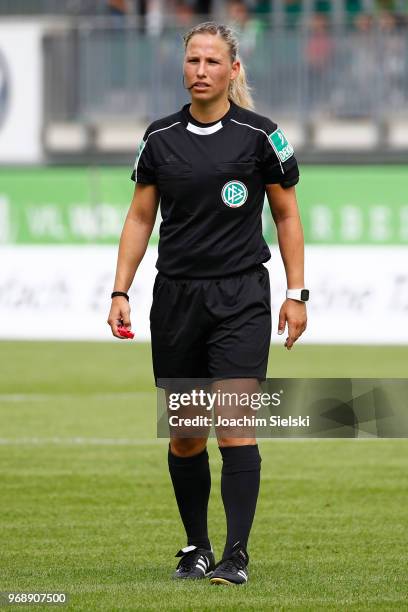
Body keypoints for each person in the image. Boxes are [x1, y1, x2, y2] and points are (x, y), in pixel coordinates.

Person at [107, 21, 308, 585]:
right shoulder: (159, 137)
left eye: (213, 62)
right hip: (176, 299)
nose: (201, 71)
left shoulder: (262, 136)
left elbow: (287, 215)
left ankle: (235, 556)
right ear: (183, 66)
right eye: (193, 61)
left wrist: (296, 293)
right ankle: (196, 548)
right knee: (187, 433)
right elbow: (140, 217)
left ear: (233, 69)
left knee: (235, 426)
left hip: (241, 294)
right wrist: (120, 288)